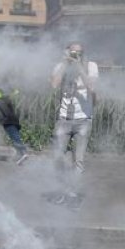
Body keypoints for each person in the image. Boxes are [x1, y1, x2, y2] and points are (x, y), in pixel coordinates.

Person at [49, 42, 99, 202]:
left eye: (79, 53)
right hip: (64, 119)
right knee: (57, 157)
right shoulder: (61, 66)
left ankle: (73, 193)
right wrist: (65, 63)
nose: (76, 55)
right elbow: (54, 85)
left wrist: (78, 66)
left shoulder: (91, 66)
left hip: (83, 119)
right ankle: (62, 189)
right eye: (73, 52)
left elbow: (91, 87)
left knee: (78, 161)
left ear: (84, 54)